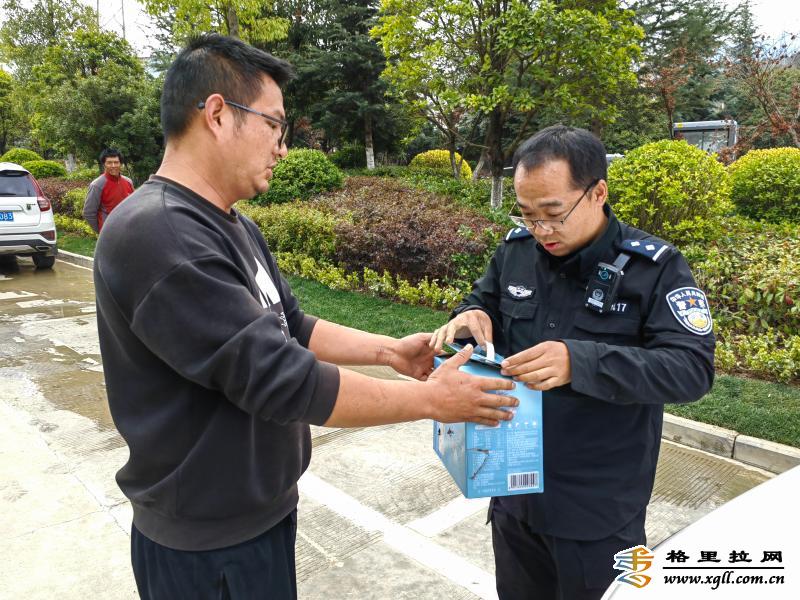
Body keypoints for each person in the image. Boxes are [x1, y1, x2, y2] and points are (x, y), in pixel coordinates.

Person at [92, 34, 516, 600]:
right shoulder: (160, 233)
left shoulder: (231, 224)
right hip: (206, 549)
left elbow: (290, 324)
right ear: (217, 114)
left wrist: (388, 351)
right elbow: (282, 379)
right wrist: (431, 401)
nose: (283, 148)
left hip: (258, 521)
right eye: (275, 125)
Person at [430, 125, 715, 600]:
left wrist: (579, 361)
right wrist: (470, 315)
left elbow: (691, 369)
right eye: (527, 215)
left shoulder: (654, 269)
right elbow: (482, 303)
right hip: (514, 492)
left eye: (553, 214)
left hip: (598, 513)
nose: (541, 230)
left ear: (597, 193)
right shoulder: (516, 252)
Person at [82, 148, 135, 233]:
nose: (113, 165)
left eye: (116, 162)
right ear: (104, 164)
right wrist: (102, 231)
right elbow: (88, 213)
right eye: (109, 162)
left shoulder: (128, 182)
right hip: (109, 233)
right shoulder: (97, 185)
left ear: (120, 163)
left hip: (128, 230)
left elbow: (133, 206)